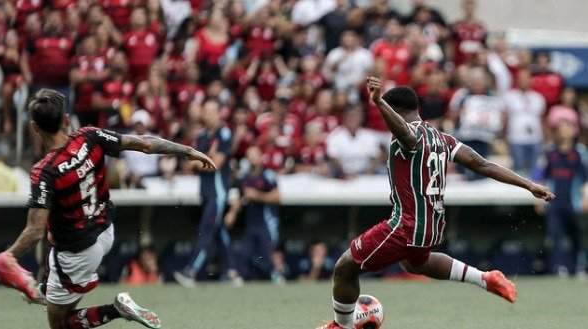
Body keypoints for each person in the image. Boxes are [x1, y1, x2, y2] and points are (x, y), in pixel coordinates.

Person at [316, 77, 555, 329]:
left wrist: (378, 102)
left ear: (396, 112)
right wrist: (528, 184)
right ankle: (484, 278)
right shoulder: (441, 138)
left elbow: (406, 135)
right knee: (417, 262)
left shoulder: (410, 136)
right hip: (432, 224)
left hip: (406, 225)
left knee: (345, 267)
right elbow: (482, 164)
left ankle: (340, 327)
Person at [0, 88, 217, 329]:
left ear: (34, 127)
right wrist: (188, 151)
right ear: (66, 119)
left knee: (60, 324)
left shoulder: (44, 171)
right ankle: (47, 287)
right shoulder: (90, 136)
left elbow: (33, 231)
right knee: (53, 237)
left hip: (77, 253)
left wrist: (10, 256)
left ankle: (116, 309)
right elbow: (145, 144)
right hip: (105, 231)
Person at [174, 99, 243, 287]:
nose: (209, 115)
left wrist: (203, 161)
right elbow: (190, 163)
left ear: (220, 113)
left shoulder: (224, 133)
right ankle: (232, 271)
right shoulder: (203, 135)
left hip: (217, 193)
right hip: (205, 192)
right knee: (219, 232)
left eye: (212, 111)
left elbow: (216, 165)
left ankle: (191, 270)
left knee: (206, 230)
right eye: (206, 111)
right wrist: (207, 159)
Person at [224, 146, 284, 283]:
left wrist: (257, 196)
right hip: (251, 223)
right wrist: (232, 213)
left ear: (260, 156)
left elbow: (277, 197)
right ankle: (243, 278)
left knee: (266, 253)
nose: (251, 158)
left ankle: (275, 276)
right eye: (249, 155)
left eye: (254, 154)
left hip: (267, 222)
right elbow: (239, 198)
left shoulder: (267, 175)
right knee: (246, 253)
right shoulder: (243, 178)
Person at [537, 118, 587, 277]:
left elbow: (586, 178)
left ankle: (581, 267)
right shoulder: (549, 152)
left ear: (573, 131)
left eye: (567, 128)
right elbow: (540, 176)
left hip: (575, 203)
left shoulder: (580, 152)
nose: (563, 131)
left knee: (579, 235)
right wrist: (538, 199)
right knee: (554, 235)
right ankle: (559, 268)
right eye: (560, 128)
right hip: (554, 203)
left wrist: (586, 197)